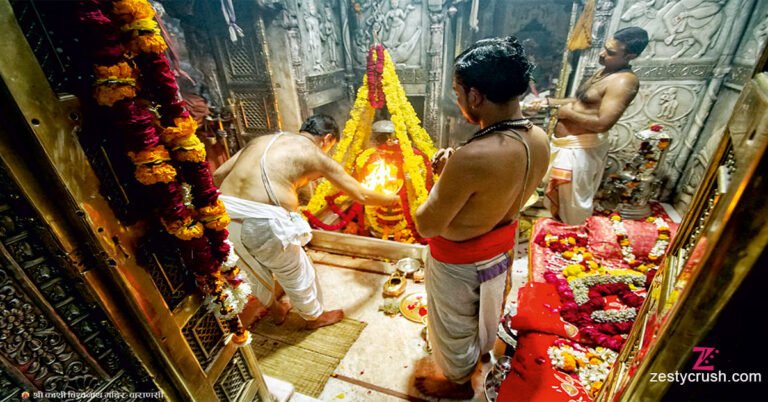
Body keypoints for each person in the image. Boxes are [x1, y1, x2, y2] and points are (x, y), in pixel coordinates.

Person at [413, 37, 550, 399]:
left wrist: (444, 175)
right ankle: (480, 353)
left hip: (460, 261)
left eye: (458, 93)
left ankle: (456, 382)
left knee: (455, 323)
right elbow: (497, 188)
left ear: (476, 96)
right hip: (500, 245)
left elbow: (426, 224)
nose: (459, 102)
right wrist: (458, 172)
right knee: (485, 310)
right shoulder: (538, 138)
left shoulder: (472, 157)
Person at [214, 114, 399, 329]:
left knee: (251, 268)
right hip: (261, 221)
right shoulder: (313, 154)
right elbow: (361, 194)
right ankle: (314, 318)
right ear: (327, 138)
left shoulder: (261, 141)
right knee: (297, 270)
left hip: (225, 213)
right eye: (329, 147)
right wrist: (391, 199)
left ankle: (276, 311)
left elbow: (219, 175)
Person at [542, 27, 649, 225]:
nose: (602, 54)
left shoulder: (624, 81)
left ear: (630, 56)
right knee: (558, 197)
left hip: (582, 148)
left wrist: (566, 114)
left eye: (610, 53)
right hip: (566, 145)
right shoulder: (604, 71)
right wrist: (549, 103)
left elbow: (603, 123)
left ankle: (574, 241)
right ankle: (558, 234)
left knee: (573, 203)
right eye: (604, 48)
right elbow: (579, 101)